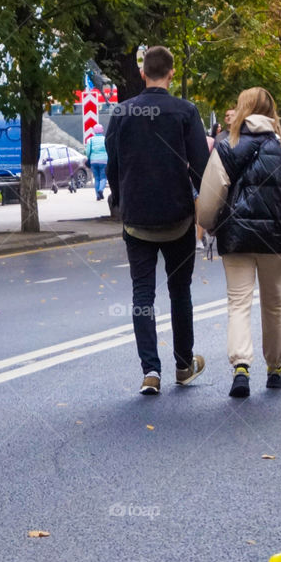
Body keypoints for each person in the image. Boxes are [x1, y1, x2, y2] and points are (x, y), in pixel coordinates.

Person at [105, 45, 210, 395]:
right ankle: (183, 364)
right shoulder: (185, 111)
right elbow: (200, 167)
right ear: (171, 73)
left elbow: (113, 165)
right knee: (180, 292)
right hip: (178, 218)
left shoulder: (121, 113)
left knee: (142, 295)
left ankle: (150, 371)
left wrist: (121, 202)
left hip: (136, 220)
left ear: (142, 73)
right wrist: (205, 212)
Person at [196, 87, 281, 398]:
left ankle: (241, 369)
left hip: (236, 234)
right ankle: (276, 369)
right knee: (274, 303)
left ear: (243, 110)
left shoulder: (228, 145)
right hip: (276, 238)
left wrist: (208, 225)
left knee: (238, 303)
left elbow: (210, 194)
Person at [85, 123, 108, 200]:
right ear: (102, 130)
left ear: (94, 131)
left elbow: (87, 152)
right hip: (104, 161)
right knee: (103, 177)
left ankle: (98, 196)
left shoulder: (90, 140)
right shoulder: (105, 139)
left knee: (97, 178)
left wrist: (89, 157)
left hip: (93, 161)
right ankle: (101, 190)